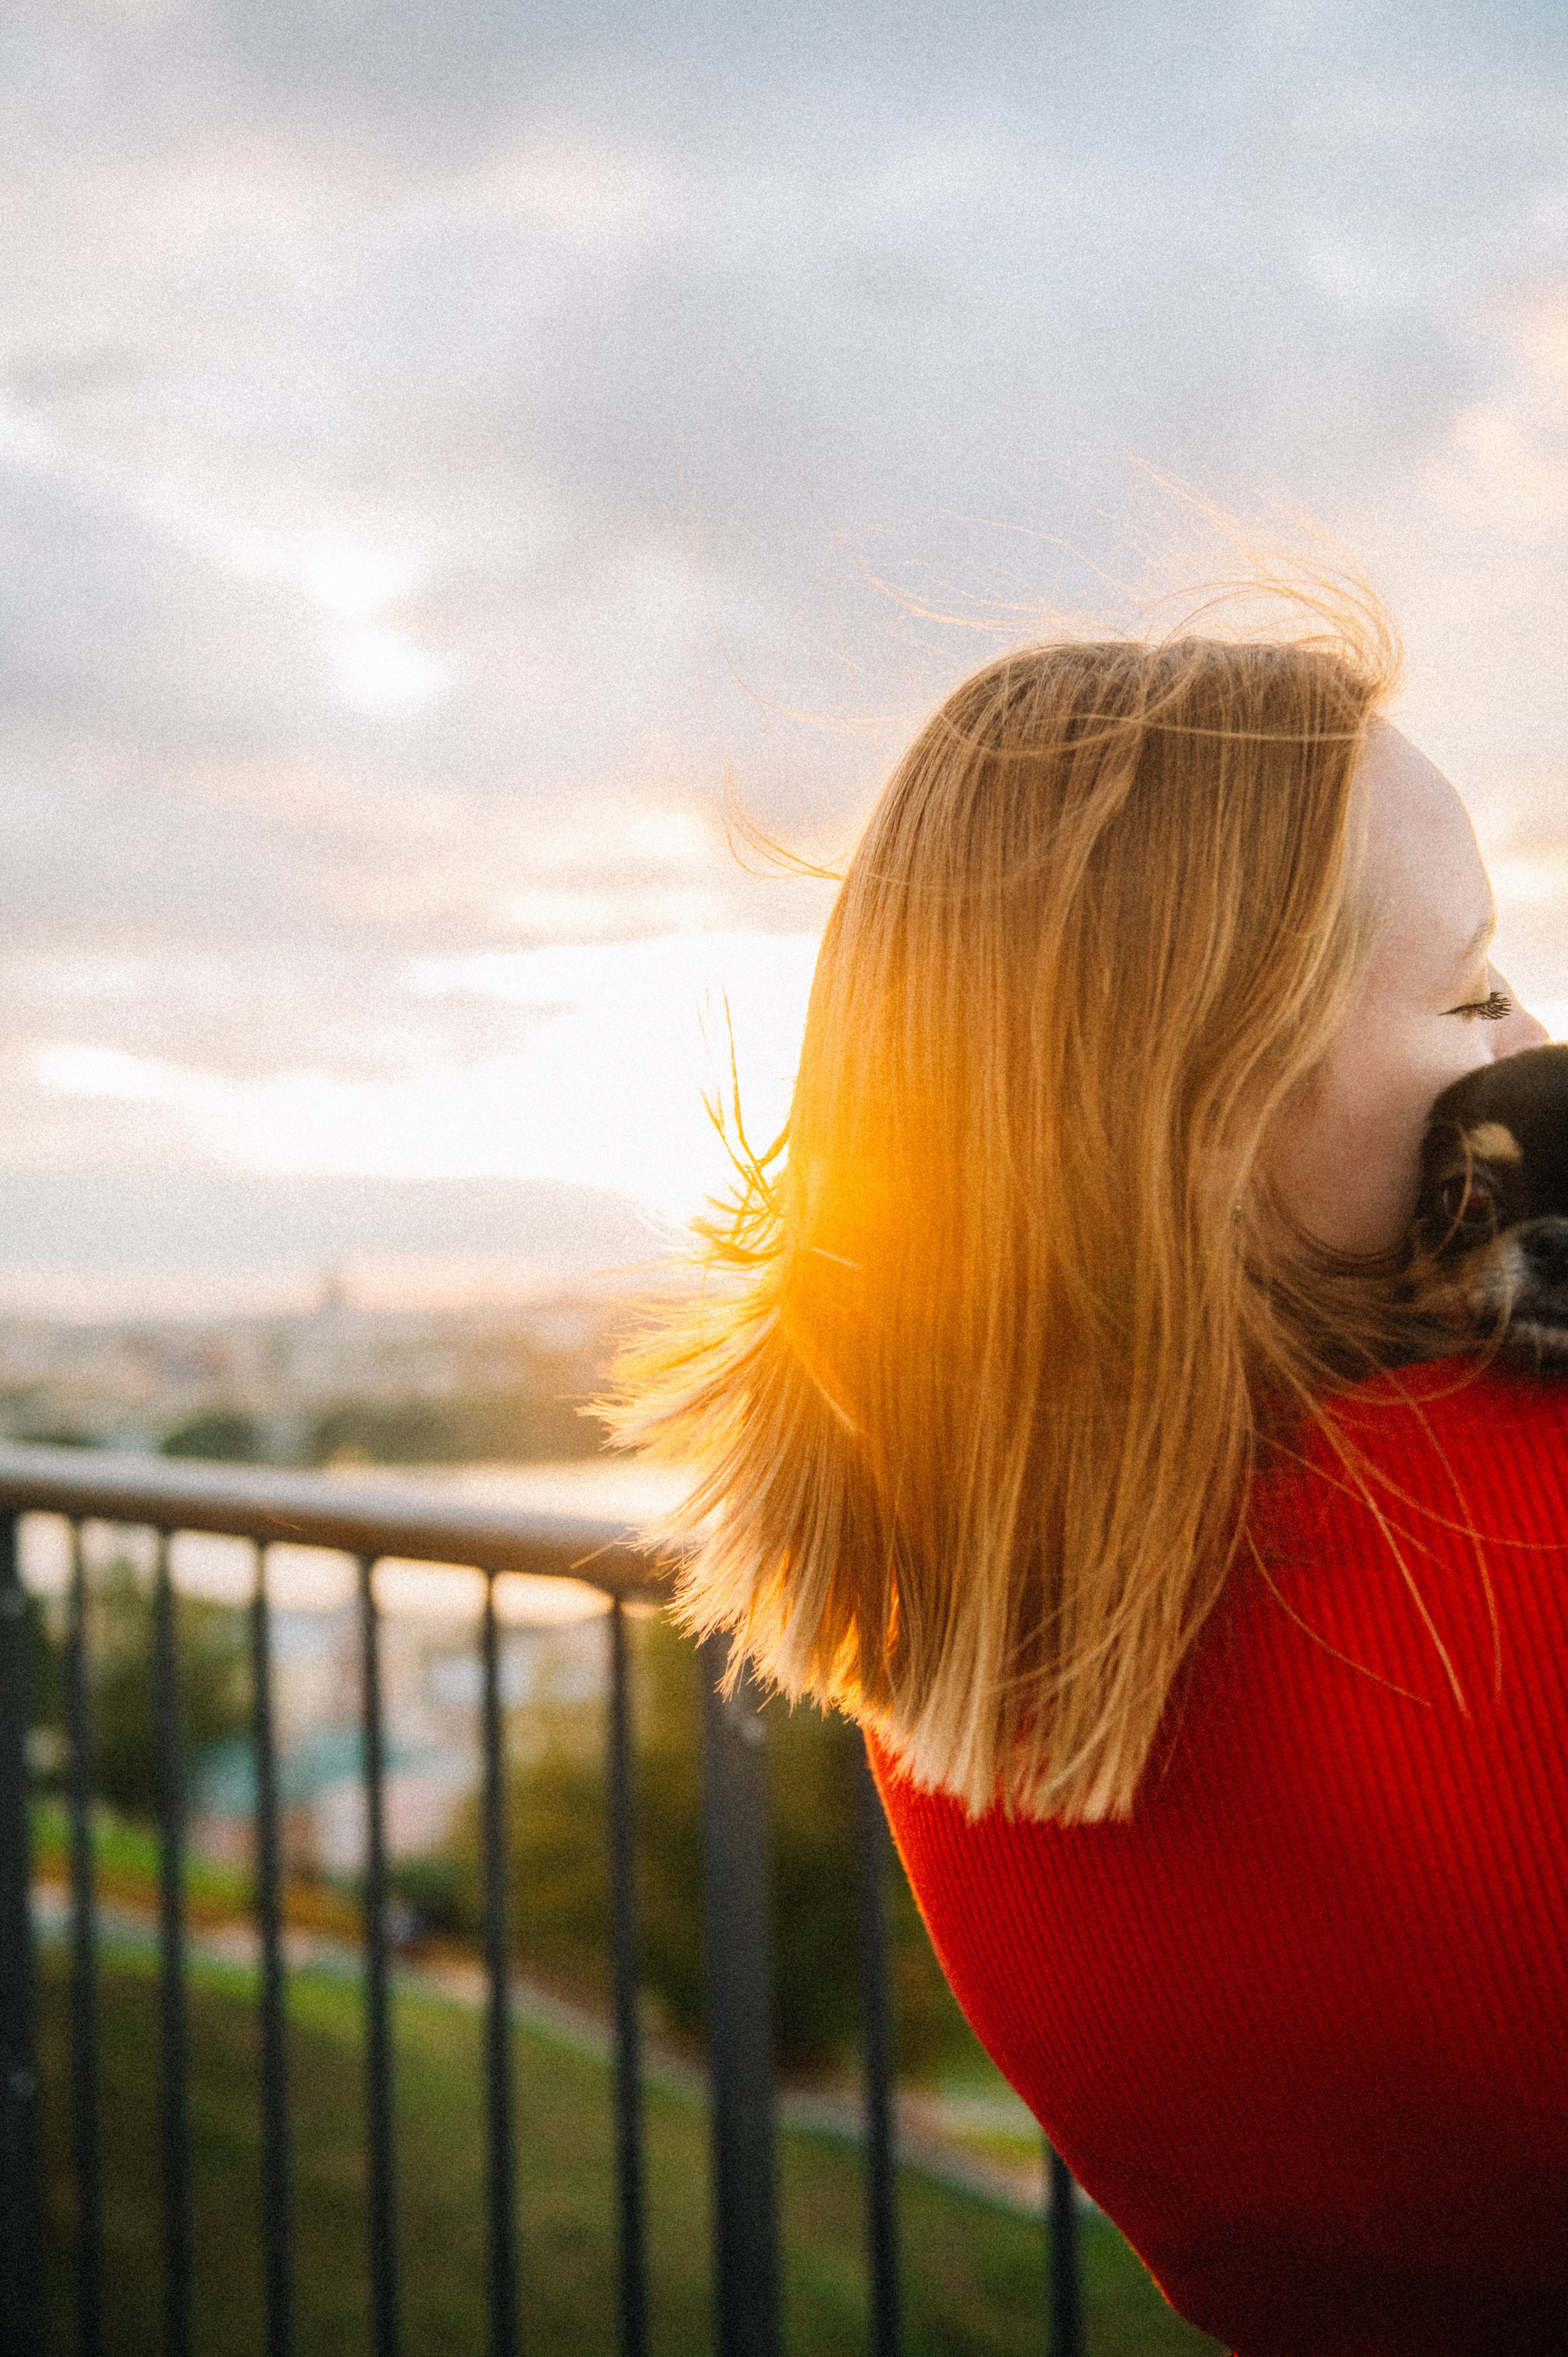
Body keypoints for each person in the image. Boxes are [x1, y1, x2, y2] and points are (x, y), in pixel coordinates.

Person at [610, 603, 1568, 2354]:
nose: (1535, 1045)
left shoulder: (957, 1631)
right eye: (1473, 990)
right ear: (1206, 1115)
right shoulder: (1489, 1558)